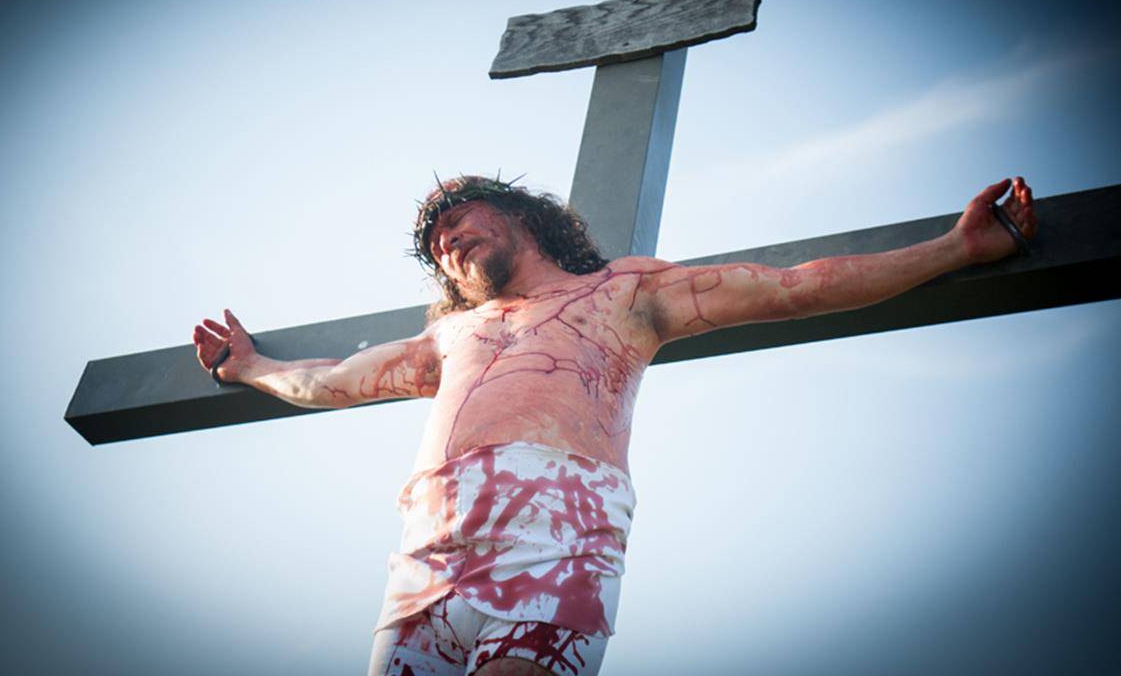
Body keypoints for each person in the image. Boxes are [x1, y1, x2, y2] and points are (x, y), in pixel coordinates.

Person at [192, 174, 1037, 676]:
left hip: (557, 524)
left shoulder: (625, 293)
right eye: (438, 244)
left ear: (522, 216)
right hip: (428, 548)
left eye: (461, 221)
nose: (448, 242)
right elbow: (331, 381)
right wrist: (250, 368)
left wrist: (954, 249)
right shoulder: (447, 336)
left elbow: (794, 285)